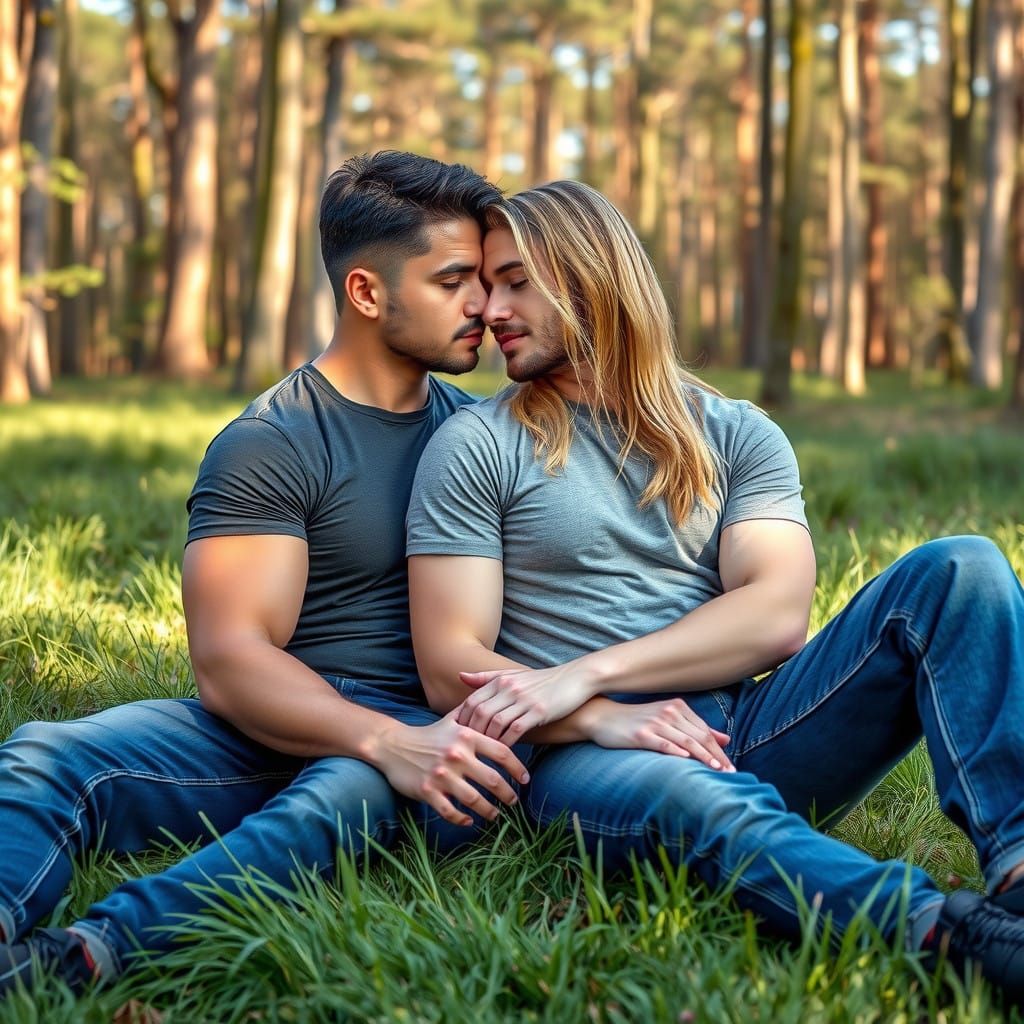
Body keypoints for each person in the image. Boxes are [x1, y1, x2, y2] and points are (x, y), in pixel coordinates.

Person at [405, 180, 1024, 1004]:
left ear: (591, 277)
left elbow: (775, 617)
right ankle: (952, 937)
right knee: (693, 796)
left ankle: (1019, 871)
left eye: (516, 279)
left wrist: (588, 670)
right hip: (577, 757)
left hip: (747, 728)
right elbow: (451, 666)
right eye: (485, 284)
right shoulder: (476, 444)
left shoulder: (733, 431)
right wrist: (595, 711)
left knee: (963, 567)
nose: (491, 308)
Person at [0, 151, 530, 995]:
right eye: (455, 280)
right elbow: (231, 656)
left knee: (344, 792)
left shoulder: (484, 433)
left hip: (442, 725)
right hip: (289, 716)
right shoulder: (273, 442)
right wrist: (385, 739)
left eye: (488, 280)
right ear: (366, 292)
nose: (486, 305)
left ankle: (86, 957)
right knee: (41, 755)